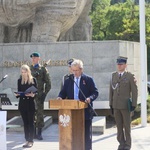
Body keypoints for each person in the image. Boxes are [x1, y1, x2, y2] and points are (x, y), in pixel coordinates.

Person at [57, 59, 99, 150]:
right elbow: (63, 92)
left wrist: (89, 98)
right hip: (71, 112)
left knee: (86, 135)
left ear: (81, 69)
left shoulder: (88, 79)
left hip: (85, 111)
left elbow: (95, 92)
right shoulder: (69, 80)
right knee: (73, 134)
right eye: (73, 70)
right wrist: (60, 97)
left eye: (76, 70)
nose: (74, 72)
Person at [109, 56, 138, 150]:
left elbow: (134, 91)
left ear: (125, 65)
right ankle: (121, 143)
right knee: (119, 126)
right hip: (116, 105)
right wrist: (111, 104)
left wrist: (134, 104)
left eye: (121, 64)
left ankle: (128, 145)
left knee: (127, 126)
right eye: (118, 64)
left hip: (125, 106)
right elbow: (111, 91)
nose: (119, 66)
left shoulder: (130, 76)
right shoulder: (114, 75)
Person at [30, 52, 51, 140]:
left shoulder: (43, 69)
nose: (33, 59)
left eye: (35, 58)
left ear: (39, 58)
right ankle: (33, 133)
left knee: (39, 114)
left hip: (39, 96)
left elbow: (48, 83)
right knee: (31, 114)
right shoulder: (29, 69)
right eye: (32, 58)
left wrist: (44, 94)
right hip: (30, 95)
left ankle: (39, 133)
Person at [15, 64, 37, 148]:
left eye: (24, 72)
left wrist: (33, 95)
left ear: (28, 72)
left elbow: (36, 92)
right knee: (25, 123)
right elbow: (19, 92)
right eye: (22, 72)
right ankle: (26, 139)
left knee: (31, 122)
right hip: (22, 104)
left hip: (30, 103)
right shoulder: (19, 80)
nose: (23, 74)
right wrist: (17, 94)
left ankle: (31, 140)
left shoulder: (33, 80)